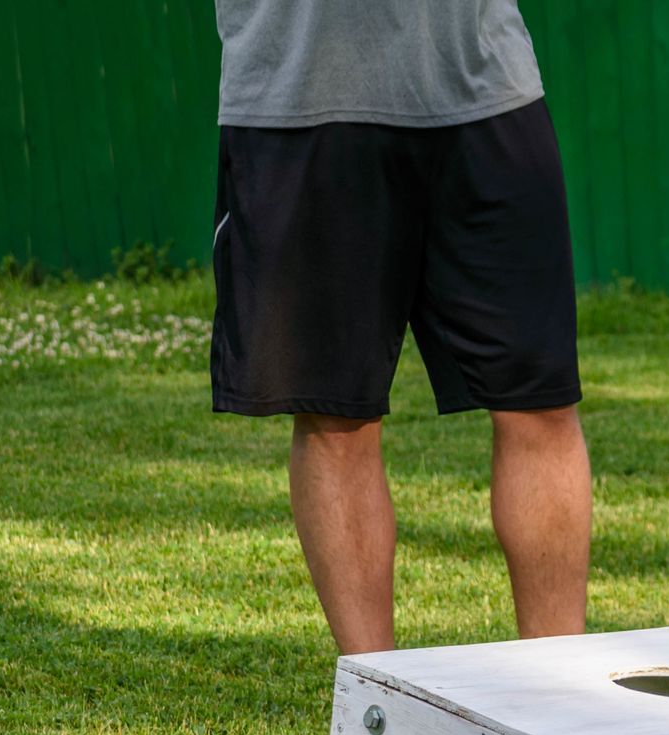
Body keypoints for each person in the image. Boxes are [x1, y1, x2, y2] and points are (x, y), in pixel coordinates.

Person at [208, 0, 592, 656]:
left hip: (485, 83)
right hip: (298, 96)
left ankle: (558, 712)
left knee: (539, 404)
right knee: (335, 420)